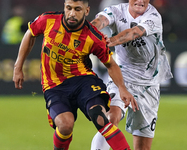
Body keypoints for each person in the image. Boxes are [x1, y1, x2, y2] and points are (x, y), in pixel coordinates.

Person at [13, 0, 139, 150]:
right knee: (65, 125)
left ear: (86, 11)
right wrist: (18, 66)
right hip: (54, 85)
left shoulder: (93, 36)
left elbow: (110, 64)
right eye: (69, 8)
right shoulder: (48, 20)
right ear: (64, 7)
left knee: (99, 116)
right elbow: (30, 34)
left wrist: (122, 88)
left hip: (83, 81)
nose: (72, 13)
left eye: (77, 9)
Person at [90, 0, 173, 150]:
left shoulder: (153, 16)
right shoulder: (115, 11)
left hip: (149, 84)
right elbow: (100, 21)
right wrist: (89, 32)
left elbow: (134, 32)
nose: (140, 1)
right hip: (122, 76)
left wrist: (109, 42)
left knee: (142, 147)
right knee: (110, 120)